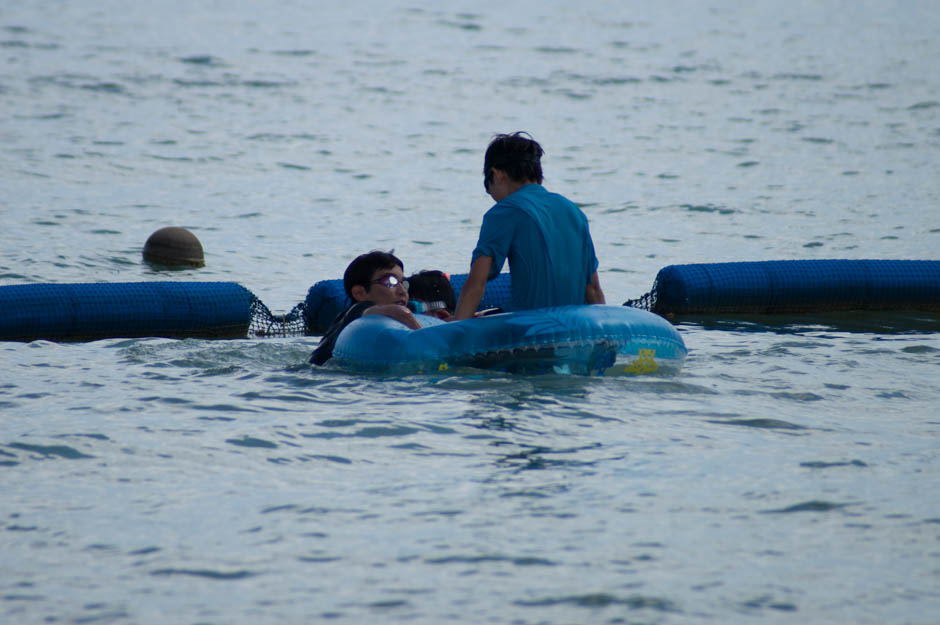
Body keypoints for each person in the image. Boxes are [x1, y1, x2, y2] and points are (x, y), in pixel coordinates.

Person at [453, 132, 605, 320]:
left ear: (496, 175)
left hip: (529, 330)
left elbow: (476, 285)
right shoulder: (574, 211)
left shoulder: (503, 211)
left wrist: (452, 334)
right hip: (575, 325)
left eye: (489, 190)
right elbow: (593, 290)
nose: (494, 199)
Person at [310, 251, 421, 365]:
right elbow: (401, 313)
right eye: (390, 282)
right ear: (360, 293)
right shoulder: (359, 309)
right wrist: (425, 338)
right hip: (322, 372)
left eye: (403, 283)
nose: (402, 291)